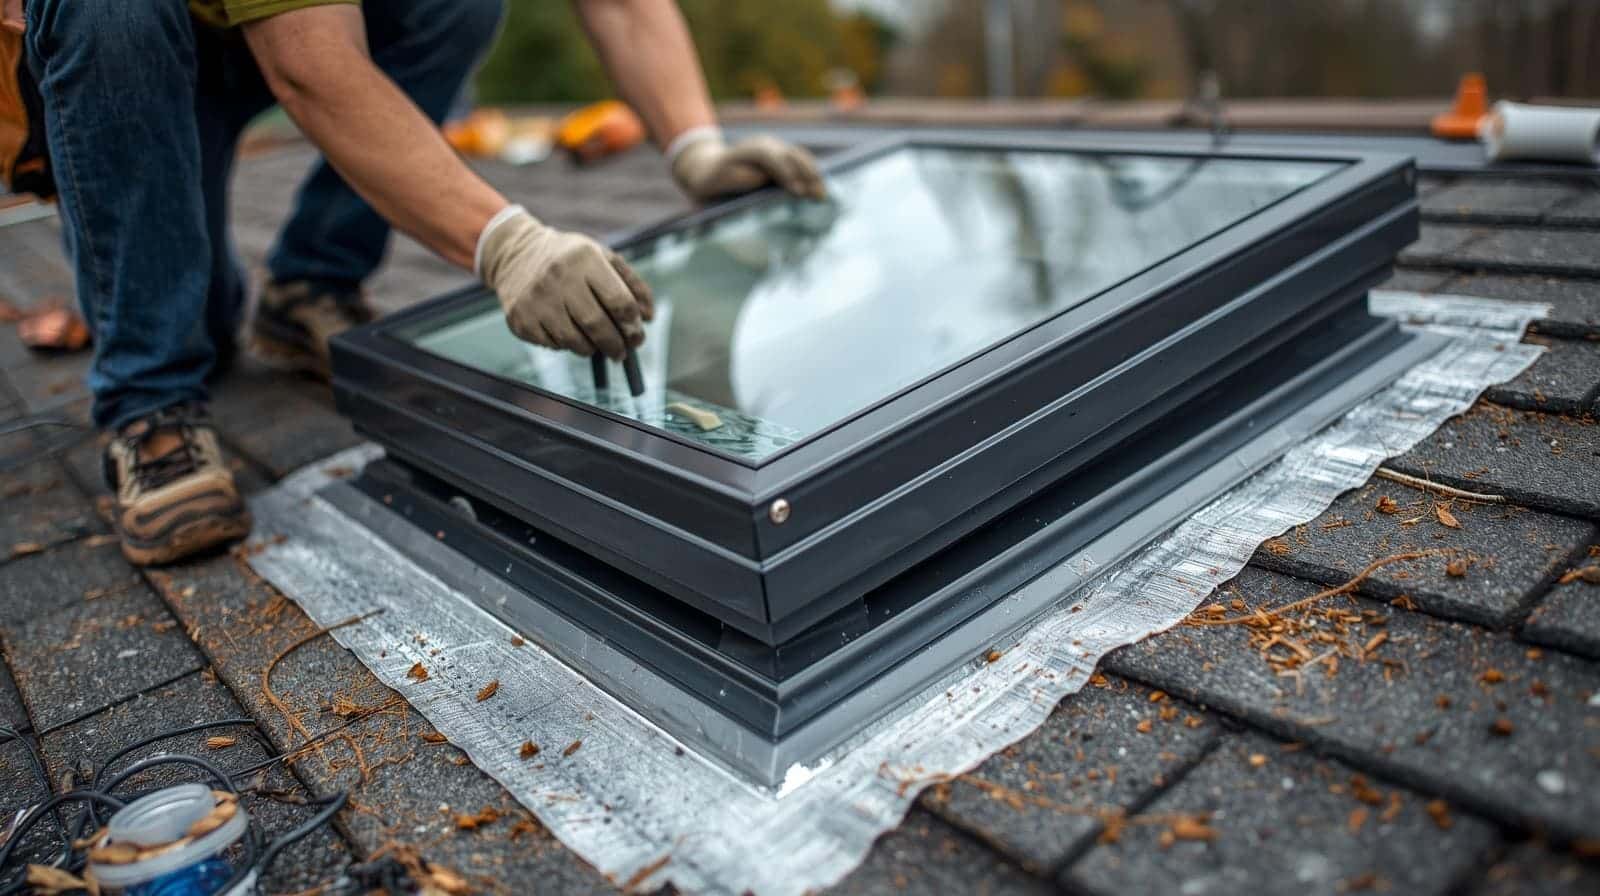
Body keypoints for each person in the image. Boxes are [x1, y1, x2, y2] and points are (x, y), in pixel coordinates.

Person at [2, 0, 823, 566]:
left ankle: (307, 286)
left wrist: (694, 146)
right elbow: (310, 65)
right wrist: (507, 243)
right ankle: (148, 397)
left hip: (279, 27)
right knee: (187, 319)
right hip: (127, 48)